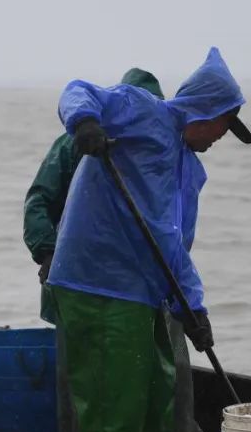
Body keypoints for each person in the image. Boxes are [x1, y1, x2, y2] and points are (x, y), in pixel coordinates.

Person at [47, 47, 251, 432]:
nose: (221, 137)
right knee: (113, 408)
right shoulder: (143, 111)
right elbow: (78, 91)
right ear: (206, 111)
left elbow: (174, 246)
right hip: (96, 285)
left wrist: (193, 308)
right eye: (222, 125)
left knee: (159, 397)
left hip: (143, 295)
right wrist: (84, 123)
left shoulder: (190, 172)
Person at [23, 68, 164, 324]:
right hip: (76, 275)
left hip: (135, 286)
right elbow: (39, 201)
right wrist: (48, 252)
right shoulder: (72, 144)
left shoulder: (158, 153)